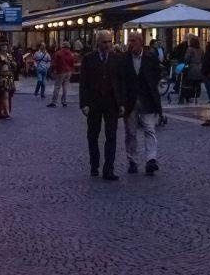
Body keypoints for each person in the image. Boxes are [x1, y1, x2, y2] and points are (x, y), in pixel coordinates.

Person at [117, 31, 162, 175]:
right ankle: (132, 160)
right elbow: (121, 80)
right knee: (131, 132)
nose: (130, 44)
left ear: (141, 42)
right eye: (129, 41)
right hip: (130, 101)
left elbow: (156, 75)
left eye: (133, 41)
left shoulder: (150, 57)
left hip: (147, 99)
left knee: (149, 129)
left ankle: (151, 159)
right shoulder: (123, 59)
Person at [79, 30, 121, 180]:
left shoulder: (116, 59)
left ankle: (108, 168)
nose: (108, 45)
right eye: (104, 42)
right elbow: (83, 83)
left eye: (110, 41)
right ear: (98, 42)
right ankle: (94, 165)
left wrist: (121, 102)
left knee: (111, 136)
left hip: (111, 102)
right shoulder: (89, 58)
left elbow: (120, 82)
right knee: (93, 135)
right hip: (94, 102)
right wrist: (84, 103)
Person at [48, 41, 75, 107]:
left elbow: (55, 63)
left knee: (57, 86)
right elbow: (72, 63)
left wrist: (52, 70)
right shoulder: (71, 54)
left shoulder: (58, 53)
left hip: (60, 71)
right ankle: (64, 101)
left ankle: (54, 102)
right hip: (68, 72)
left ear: (62, 46)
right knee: (65, 87)